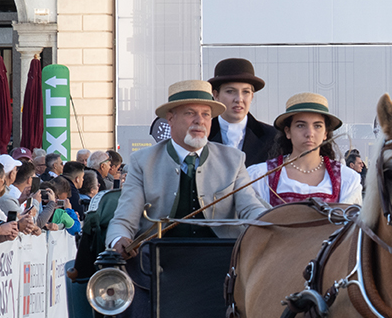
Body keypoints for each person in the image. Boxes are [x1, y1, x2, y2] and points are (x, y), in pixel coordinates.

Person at [106, 80, 269, 255]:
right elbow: (124, 219)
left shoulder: (234, 159)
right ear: (170, 119)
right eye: (190, 113)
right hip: (157, 263)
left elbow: (250, 208)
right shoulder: (142, 161)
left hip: (223, 260)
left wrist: (270, 224)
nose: (200, 121)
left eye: (206, 114)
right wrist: (118, 239)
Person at [245, 92, 361, 207]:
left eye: (317, 126)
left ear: (325, 133)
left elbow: (351, 222)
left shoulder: (346, 178)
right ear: (288, 131)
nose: (309, 133)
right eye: (300, 125)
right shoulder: (261, 177)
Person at [207, 58, 277, 167]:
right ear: (216, 95)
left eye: (246, 92)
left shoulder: (273, 137)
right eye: (230, 91)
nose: (239, 99)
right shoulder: (202, 135)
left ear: (252, 96)